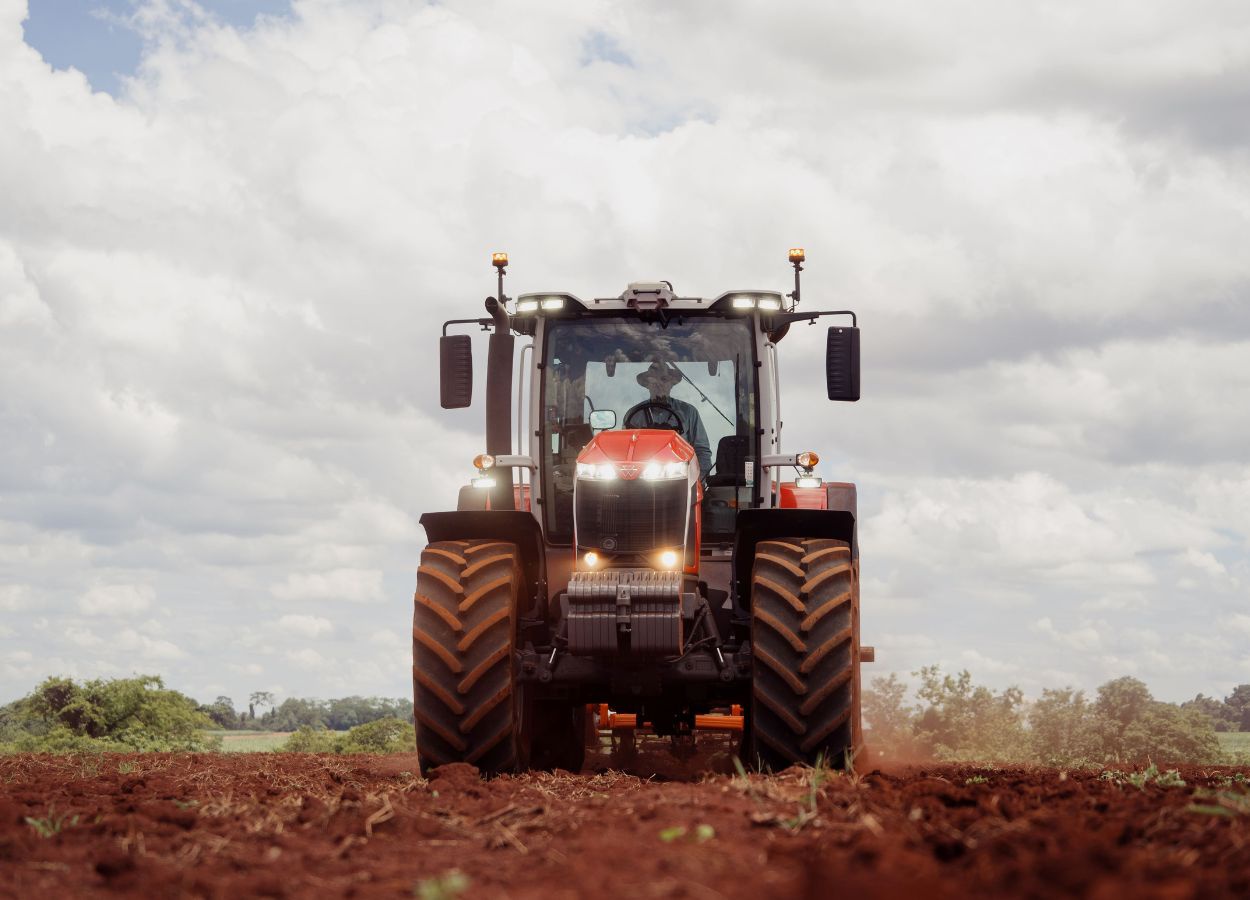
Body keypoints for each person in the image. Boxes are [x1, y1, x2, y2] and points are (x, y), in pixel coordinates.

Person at [633, 359, 713, 478]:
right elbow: (627, 450)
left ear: (671, 383)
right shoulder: (634, 415)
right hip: (640, 481)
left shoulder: (689, 412)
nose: (659, 384)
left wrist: (698, 481)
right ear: (647, 384)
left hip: (681, 479)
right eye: (653, 379)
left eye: (664, 379)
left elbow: (702, 451)